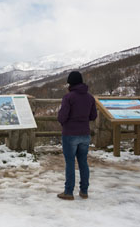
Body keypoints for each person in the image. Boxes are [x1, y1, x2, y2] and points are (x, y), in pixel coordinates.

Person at [57, 71, 97, 200]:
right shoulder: (90, 97)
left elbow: (62, 117)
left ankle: (68, 192)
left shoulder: (68, 97)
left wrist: (63, 122)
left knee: (70, 163)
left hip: (70, 134)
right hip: (85, 134)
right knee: (83, 162)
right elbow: (93, 116)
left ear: (70, 83)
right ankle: (84, 191)